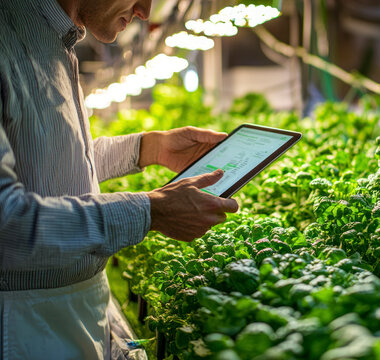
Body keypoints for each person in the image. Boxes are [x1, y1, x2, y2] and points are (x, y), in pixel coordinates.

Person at [0, 0, 239, 358]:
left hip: (69, 311)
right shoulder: (7, 39)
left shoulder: (54, 40)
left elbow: (43, 163)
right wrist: (150, 211)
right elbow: (7, 225)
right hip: (24, 325)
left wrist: (149, 148)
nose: (144, 10)